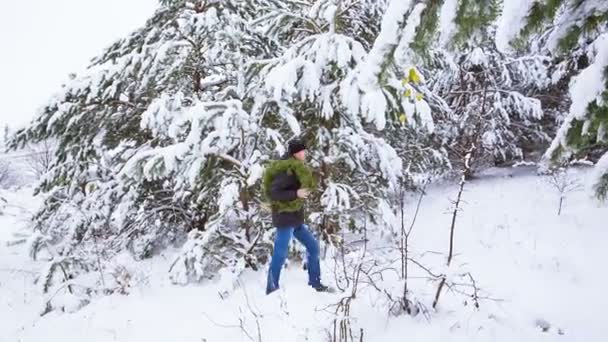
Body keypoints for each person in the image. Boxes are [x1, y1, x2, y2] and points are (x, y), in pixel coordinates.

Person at [263, 138, 332, 294]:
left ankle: (315, 283)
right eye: (302, 151)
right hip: (284, 219)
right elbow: (275, 192)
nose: (305, 153)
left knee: (313, 247)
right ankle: (271, 288)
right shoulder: (285, 170)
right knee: (280, 254)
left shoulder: (297, 167)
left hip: (295, 219)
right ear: (295, 153)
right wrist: (296, 193)